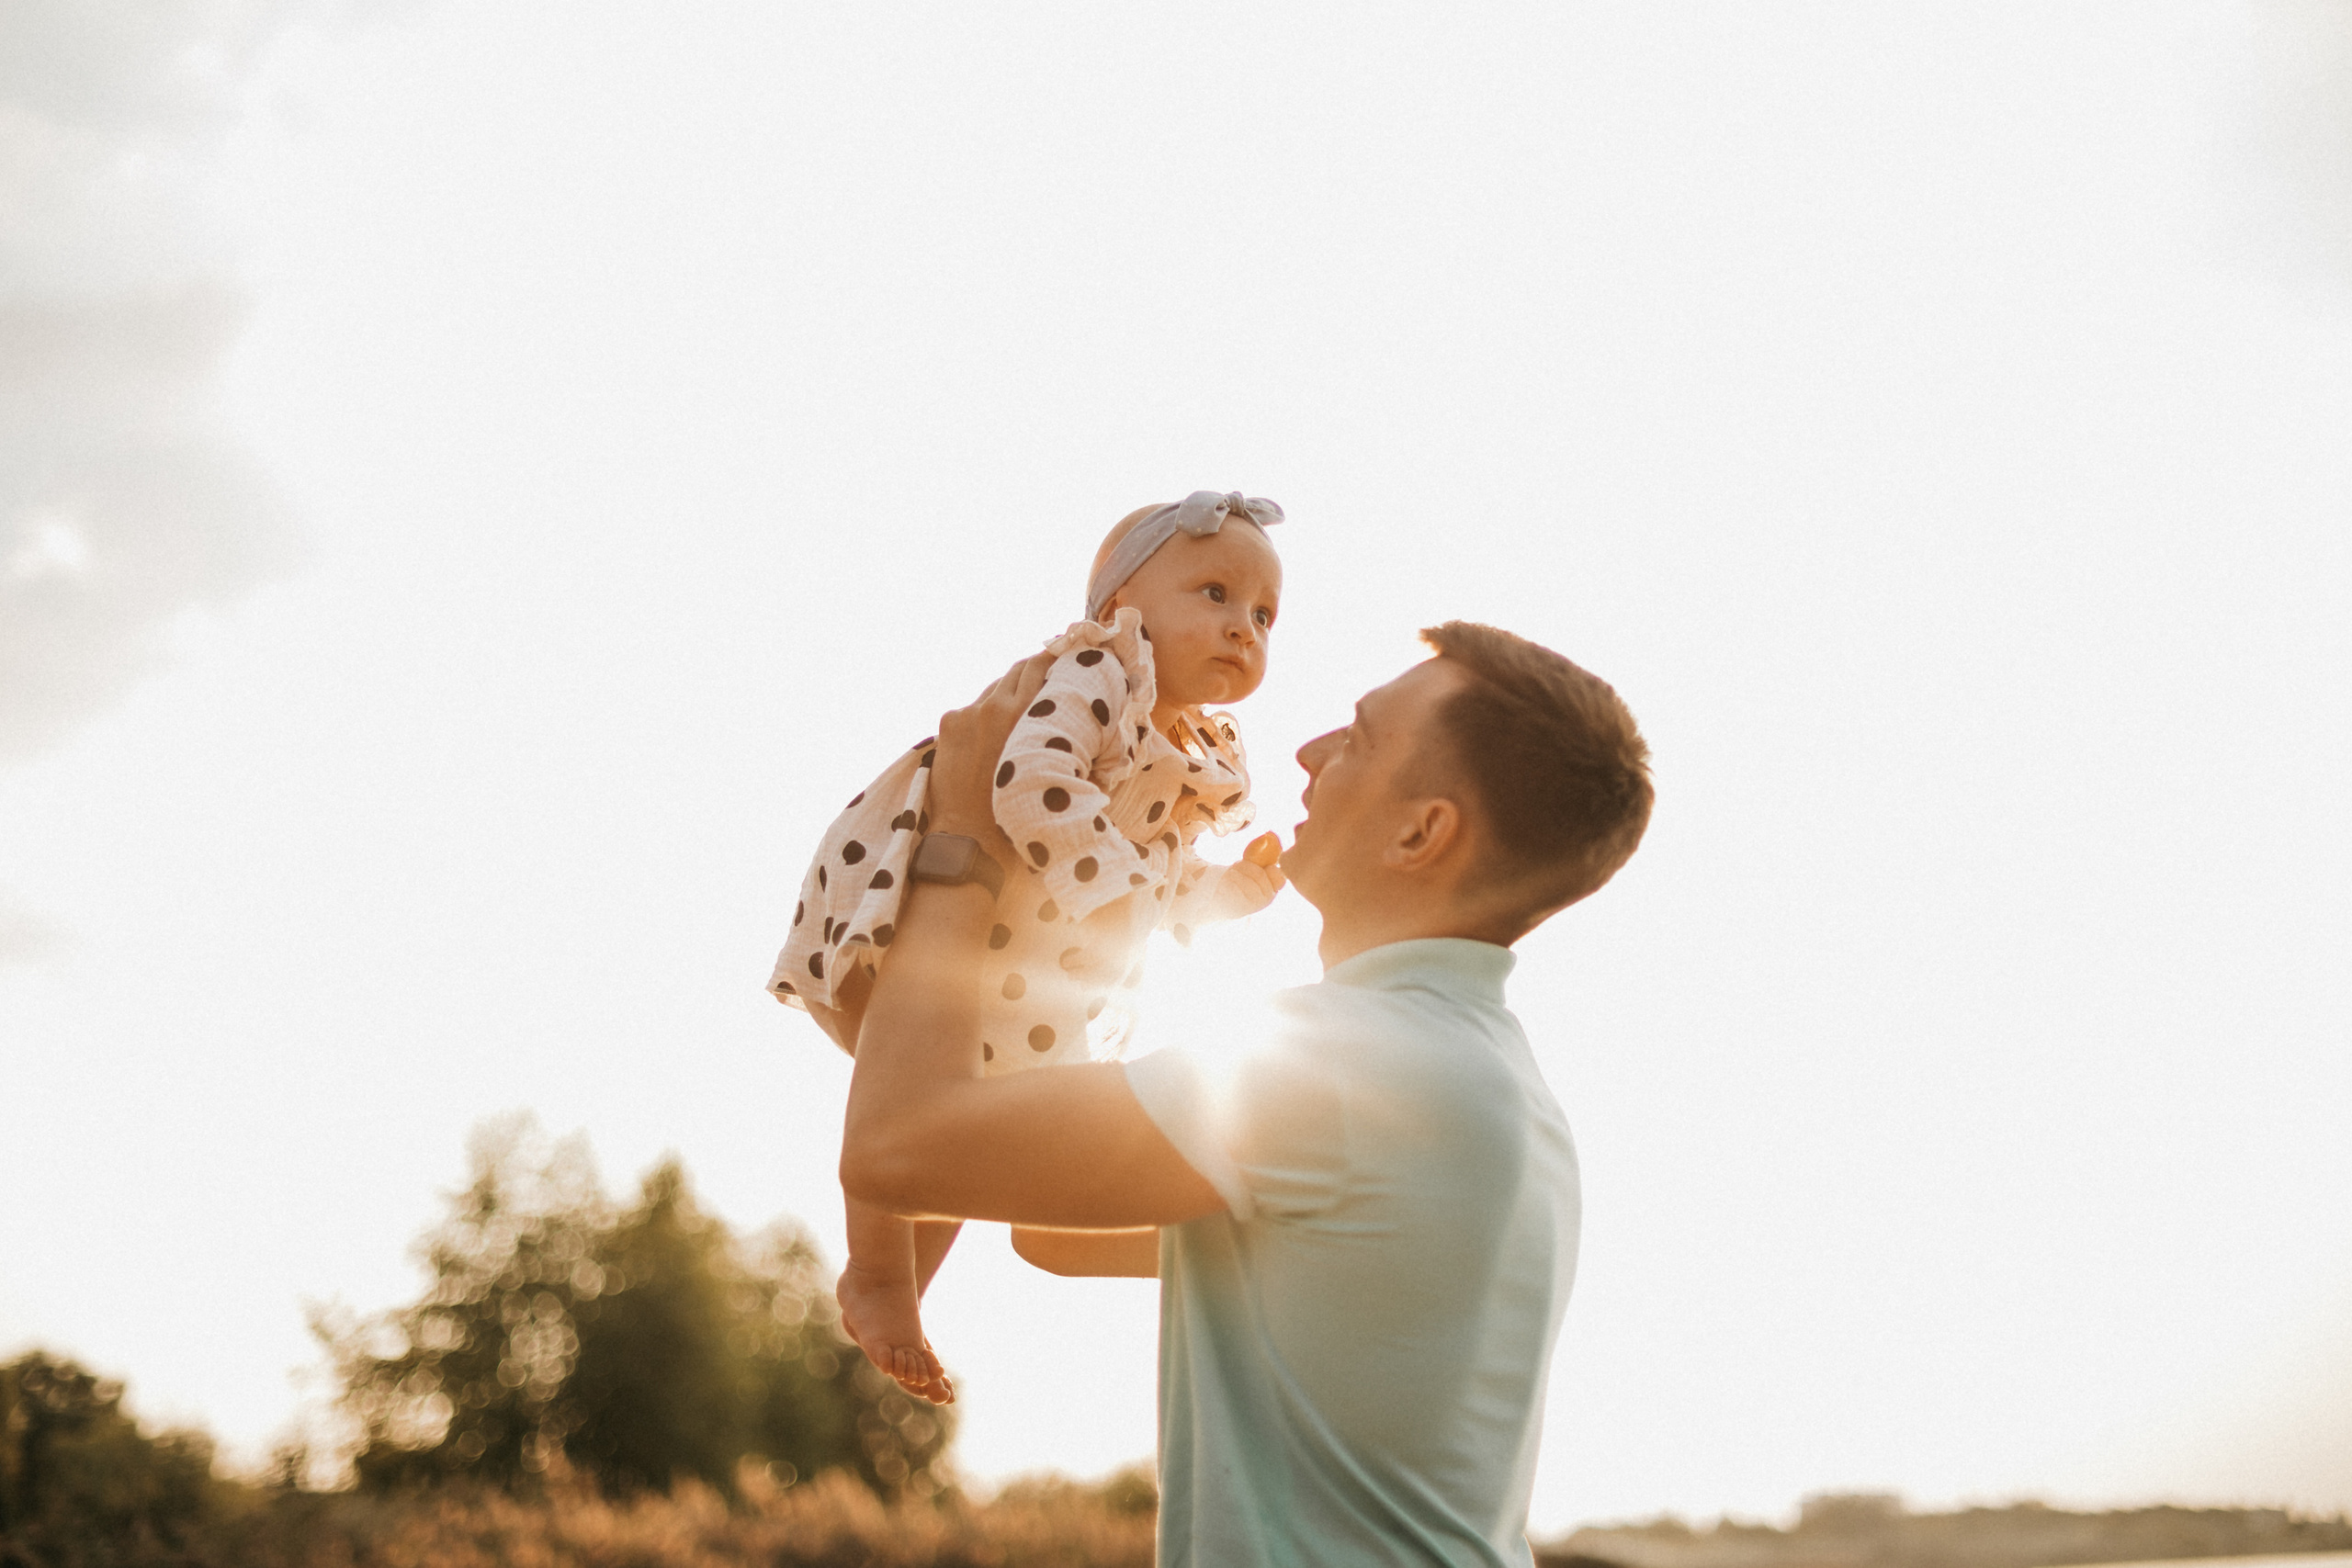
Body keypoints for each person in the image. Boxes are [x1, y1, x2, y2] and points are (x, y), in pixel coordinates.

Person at [840, 620, 1654, 1566]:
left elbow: (896, 1151)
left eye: (1359, 738)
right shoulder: (1489, 1081)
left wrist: (964, 838)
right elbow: (1054, 1231)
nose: (1309, 752)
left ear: (1420, 833)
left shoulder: (1349, 1063)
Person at [770, 491, 1290, 1403]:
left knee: (970, 1132)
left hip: (1027, 961)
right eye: (1214, 594)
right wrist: (1108, 890)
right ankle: (879, 1274)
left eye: (1263, 615)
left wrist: (1222, 894)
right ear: (1121, 605)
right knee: (910, 1074)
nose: (1242, 627)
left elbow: (1158, 879)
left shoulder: (1192, 752)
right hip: (931, 897)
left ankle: (904, 1286)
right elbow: (1028, 781)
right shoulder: (1095, 673)